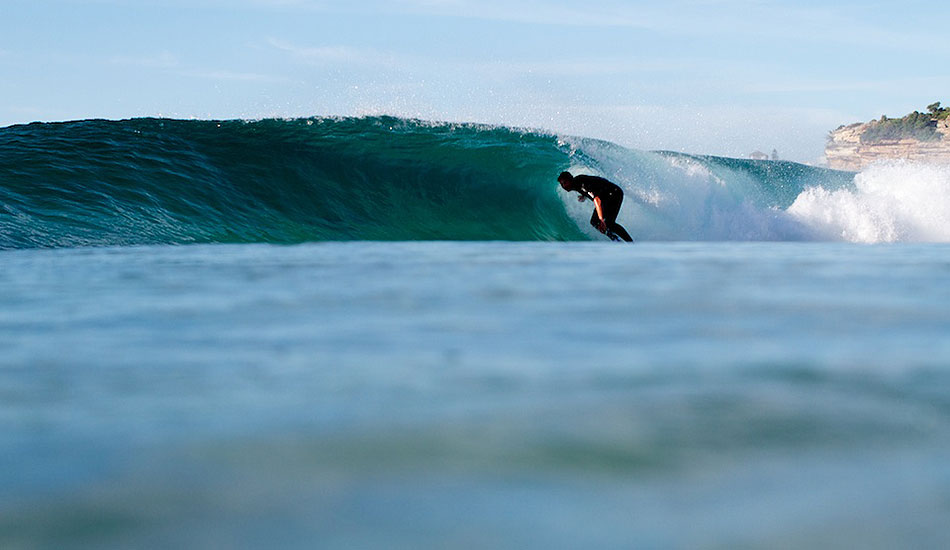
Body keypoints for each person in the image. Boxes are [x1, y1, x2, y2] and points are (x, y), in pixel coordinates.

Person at [557, 171, 633, 242]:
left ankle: (631, 243)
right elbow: (593, 186)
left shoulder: (582, 184)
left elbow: (596, 199)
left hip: (614, 194)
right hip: (606, 197)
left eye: (565, 183)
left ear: (570, 180)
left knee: (609, 223)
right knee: (594, 221)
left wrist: (601, 219)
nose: (564, 186)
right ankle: (616, 239)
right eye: (562, 184)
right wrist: (584, 195)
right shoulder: (576, 183)